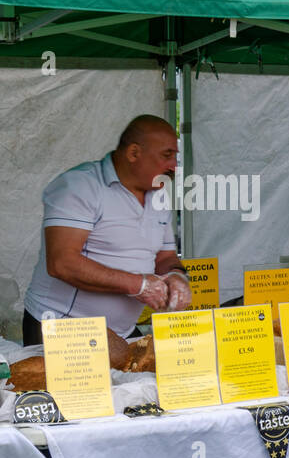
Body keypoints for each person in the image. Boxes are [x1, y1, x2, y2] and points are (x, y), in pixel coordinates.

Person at [23, 115, 191, 345]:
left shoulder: (158, 195)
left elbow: (166, 256)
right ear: (134, 153)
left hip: (121, 332)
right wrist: (138, 285)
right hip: (64, 327)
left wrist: (176, 276)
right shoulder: (80, 186)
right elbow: (61, 263)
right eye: (167, 155)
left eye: (175, 157)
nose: (173, 166)